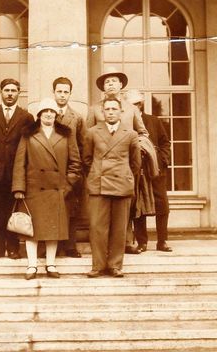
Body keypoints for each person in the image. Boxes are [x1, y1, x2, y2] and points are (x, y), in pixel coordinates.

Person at [12, 98, 81, 280]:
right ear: (39, 115)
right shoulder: (28, 134)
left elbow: (75, 164)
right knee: (32, 230)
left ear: (56, 115)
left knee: (53, 229)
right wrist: (19, 187)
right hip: (33, 189)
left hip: (57, 190)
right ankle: (32, 265)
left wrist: (67, 186)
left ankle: (51, 264)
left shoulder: (66, 135)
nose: (49, 114)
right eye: (45, 112)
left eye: (52, 112)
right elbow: (20, 163)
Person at [87, 68, 148, 254]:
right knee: (101, 214)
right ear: (103, 88)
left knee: (126, 208)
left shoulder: (131, 109)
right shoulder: (95, 109)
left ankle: (127, 242)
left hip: (126, 166)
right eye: (107, 82)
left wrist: (135, 150)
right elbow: (87, 138)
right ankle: (104, 248)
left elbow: (143, 133)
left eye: (114, 81)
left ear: (121, 85)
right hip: (102, 170)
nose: (110, 84)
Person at [84, 97, 141, 278]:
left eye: (114, 109)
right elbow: (86, 159)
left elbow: (135, 162)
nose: (110, 112)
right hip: (98, 184)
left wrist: (125, 175)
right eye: (107, 109)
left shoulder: (131, 133)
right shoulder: (92, 132)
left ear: (120, 111)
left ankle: (115, 265)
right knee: (97, 227)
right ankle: (98, 266)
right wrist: (95, 174)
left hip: (121, 185)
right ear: (102, 111)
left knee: (119, 228)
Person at [0, 78, 34, 260]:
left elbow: (29, 147)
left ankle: (13, 248)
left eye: (13, 90)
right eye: (7, 90)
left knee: (14, 212)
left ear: (19, 93)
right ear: (1, 92)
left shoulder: (26, 117)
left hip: (16, 175)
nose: (10, 93)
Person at [125, 89, 172, 252]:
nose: (133, 108)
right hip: (136, 169)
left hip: (156, 168)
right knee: (138, 205)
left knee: (162, 204)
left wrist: (163, 160)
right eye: (130, 105)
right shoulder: (126, 123)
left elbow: (166, 143)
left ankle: (162, 240)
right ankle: (142, 242)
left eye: (135, 104)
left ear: (140, 105)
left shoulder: (153, 121)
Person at [53, 76, 86, 258]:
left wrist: (78, 170)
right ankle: (55, 245)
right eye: (59, 91)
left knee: (72, 209)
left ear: (70, 94)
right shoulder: (46, 114)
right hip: (51, 169)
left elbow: (83, 145)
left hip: (72, 170)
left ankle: (71, 246)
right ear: (54, 92)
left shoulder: (77, 118)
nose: (62, 95)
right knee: (54, 208)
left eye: (66, 92)